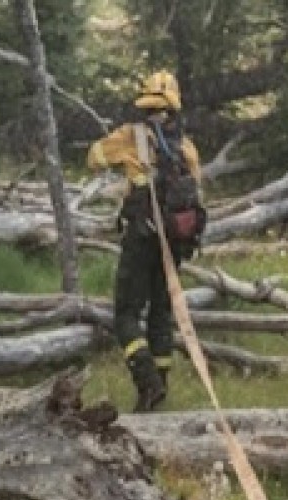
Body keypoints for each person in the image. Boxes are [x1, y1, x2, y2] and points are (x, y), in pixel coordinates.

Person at [87, 69, 206, 412]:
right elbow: (197, 195)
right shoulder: (187, 148)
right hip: (174, 243)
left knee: (125, 314)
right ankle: (159, 388)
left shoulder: (130, 137)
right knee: (160, 313)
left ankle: (147, 382)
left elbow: (93, 158)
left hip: (141, 238)